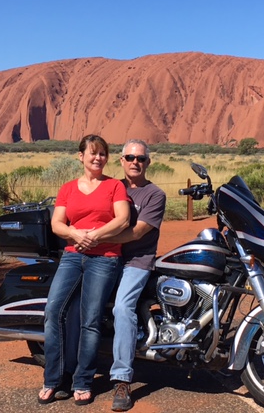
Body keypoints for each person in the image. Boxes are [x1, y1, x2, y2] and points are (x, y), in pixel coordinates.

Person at [38, 134, 130, 406]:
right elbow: (57, 223)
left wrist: (96, 235)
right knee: (54, 312)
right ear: (81, 156)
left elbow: (123, 219)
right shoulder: (67, 188)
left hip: (105, 257)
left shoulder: (114, 186)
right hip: (72, 256)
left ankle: (82, 381)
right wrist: (77, 235)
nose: (98, 158)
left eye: (103, 154)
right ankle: (53, 379)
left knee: (90, 320)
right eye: (93, 153)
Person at [106, 139, 167, 411]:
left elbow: (138, 231)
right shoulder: (112, 187)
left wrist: (96, 239)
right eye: (129, 157)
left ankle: (121, 379)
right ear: (121, 160)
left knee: (122, 307)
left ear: (147, 163)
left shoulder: (155, 194)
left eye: (140, 158)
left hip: (137, 261)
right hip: (106, 257)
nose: (135, 162)